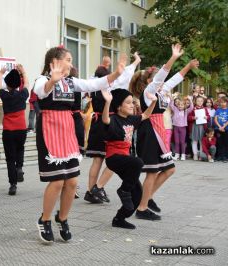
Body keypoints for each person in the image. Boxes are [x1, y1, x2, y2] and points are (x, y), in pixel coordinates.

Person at [33, 45, 126, 243]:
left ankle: (63, 218)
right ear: (54, 62)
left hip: (66, 130)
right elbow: (41, 92)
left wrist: (116, 73)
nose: (71, 63)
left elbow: (93, 84)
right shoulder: (42, 79)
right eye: (68, 59)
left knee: (73, 181)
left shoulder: (71, 82)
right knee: (57, 180)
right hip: (50, 129)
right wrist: (52, 80)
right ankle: (45, 219)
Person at [130, 43, 199, 220]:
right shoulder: (149, 91)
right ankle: (142, 208)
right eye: (156, 79)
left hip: (158, 130)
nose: (161, 82)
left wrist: (188, 66)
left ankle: (146, 197)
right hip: (149, 131)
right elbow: (164, 74)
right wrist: (173, 57)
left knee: (169, 170)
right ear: (149, 81)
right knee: (153, 171)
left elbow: (176, 77)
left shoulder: (161, 92)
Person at [85, 52, 141, 204]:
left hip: (96, 122)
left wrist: (106, 65)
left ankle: (91, 191)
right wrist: (134, 62)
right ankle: (97, 188)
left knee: (97, 159)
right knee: (115, 159)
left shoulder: (92, 84)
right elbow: (125, 75)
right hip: (109, 123)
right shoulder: (112, 85)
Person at [102, 88, 157, 229]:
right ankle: (123, 190)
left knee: (137, 195)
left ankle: (119, 219)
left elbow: (145, 115)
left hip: (126, 159)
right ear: (119, 106)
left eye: (132, 102)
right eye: (128, 103)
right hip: (114, 157)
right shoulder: (114, 119)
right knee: (138, 162)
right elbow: (105, 119)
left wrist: (154, 102)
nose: (132, 105)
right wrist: (108, 102)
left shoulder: (132, 119)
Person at [0, 64, 29, 195]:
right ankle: (20, 167)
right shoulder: (23, 94)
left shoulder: (5, 95)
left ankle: (13, 185)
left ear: (8, 84)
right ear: (18, 84)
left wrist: (0, 73)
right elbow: (27, 84)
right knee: (20, 148)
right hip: (21, 128)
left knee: (10, 158)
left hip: (8, 130)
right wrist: (23, 72)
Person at [188, 96, 210, 160]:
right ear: (195, 101)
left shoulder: (205, 109)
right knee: (194, 141)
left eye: (201, 101)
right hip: (194, 126)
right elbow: (188, 117)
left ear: (203, 102)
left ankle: (200, 154)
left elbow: (208, 116)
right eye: (198, 101)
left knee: (201, 141)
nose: (200, 102)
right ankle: (195, 154)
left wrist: (207, 117)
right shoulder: (193, 108)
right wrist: (193, 118)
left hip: (202, 127)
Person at [214, 96, 228, 162]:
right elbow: (215, 119)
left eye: (224, 102)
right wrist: (219, 127)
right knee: (219, 143)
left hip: (226, 129)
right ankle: (219, 156)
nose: (223, 104)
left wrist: (223, 127)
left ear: (226, 103)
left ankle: (225, 156)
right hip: (218, 129)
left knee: (225, 143)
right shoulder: (218, 110)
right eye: (221, 102)